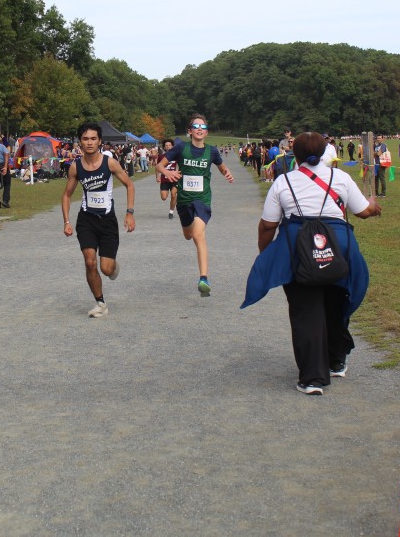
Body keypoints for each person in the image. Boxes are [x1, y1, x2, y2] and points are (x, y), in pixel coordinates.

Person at [243, 131, 381, 395]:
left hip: (299, 249)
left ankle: (313, 379)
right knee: (336, 302)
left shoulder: (283, 182)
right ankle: (336, 360)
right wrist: (374, 205)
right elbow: (363, 211)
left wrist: (266, 253)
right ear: (325, 152)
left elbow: (268, 225)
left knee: (305, 310)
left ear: (294, 155)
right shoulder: (340, 177)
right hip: (337, 248)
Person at [62, 121, 136, 318]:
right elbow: (67, 195)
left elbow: (129, 185)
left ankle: (112, 266)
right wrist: (66, 221)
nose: (89, 142)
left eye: (93, 139)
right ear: (80, 142)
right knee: (89, 262)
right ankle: (100, 303)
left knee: (106, 268)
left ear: (100, 141)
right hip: (86, 220)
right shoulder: (75, 167)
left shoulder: (109, 163)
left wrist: (129, 213)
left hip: (107, 221)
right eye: (85, 139)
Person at [155, 113, 234, 296]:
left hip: (202, 200)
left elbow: (222, 168)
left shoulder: (212, 151)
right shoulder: (180, 148)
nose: (199, 129)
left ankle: (203, 278)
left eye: (203, 127)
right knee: (188, 235)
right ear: (189, 131)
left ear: (206, 132)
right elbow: (159, 166)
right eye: (196, 126)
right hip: (184, 200)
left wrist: (227, 173)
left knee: (198, 235)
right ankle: (189, 228)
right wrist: (168, 173)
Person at [157, 139, 178, 219]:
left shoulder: (177, 156)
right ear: (164, 147)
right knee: (164, 197)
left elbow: (180, 166)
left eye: (169, 145)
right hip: (164, 179)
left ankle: (171, 212)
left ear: (172, 146)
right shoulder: (161, 157)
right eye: (166, 146)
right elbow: (157, 167)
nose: (168, 147)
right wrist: (157, 176)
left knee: (173, 194)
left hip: (174, 179)